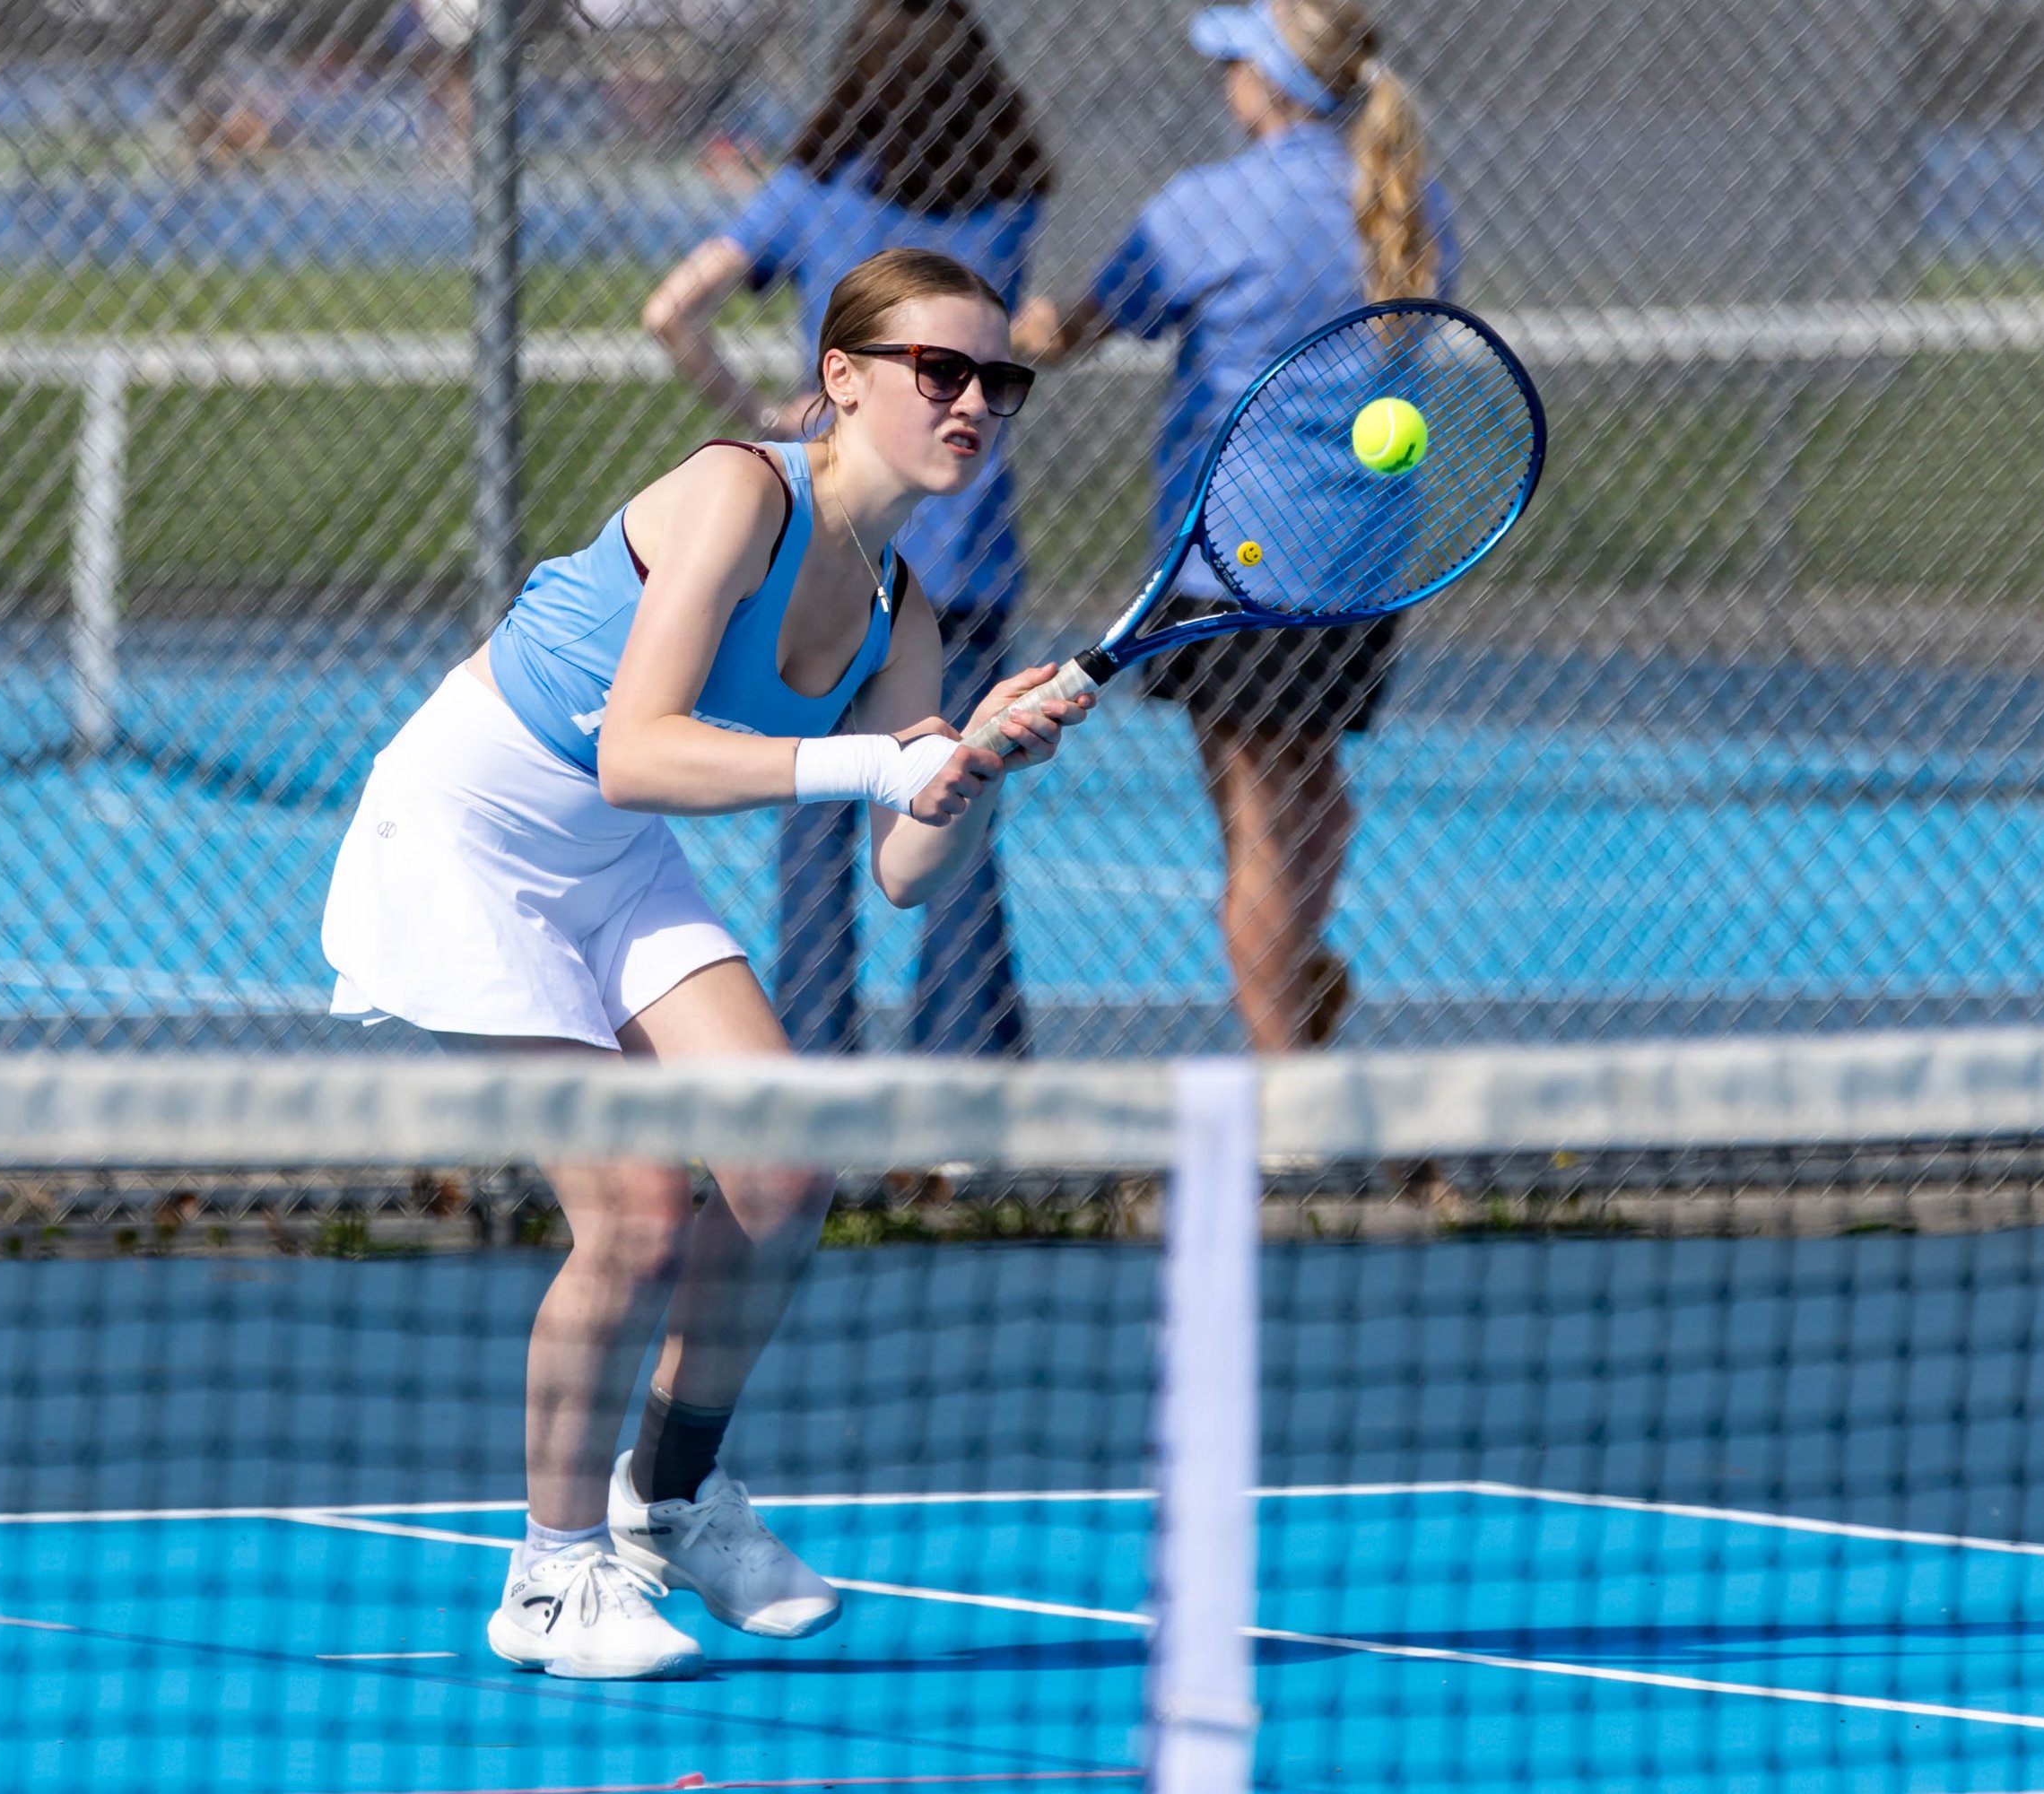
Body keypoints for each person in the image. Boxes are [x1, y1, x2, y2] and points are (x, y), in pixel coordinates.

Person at [320, 248, 1085, 1680]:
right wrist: (883, 756)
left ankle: (666, 1497)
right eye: (943, 371)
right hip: (468, 839)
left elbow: (904, 873)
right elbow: (634, 748)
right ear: (844, 381)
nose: (976, 400)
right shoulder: (741, 490)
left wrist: (971, 762)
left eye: (1001, 380)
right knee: (634, 1213)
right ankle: (548, 1582)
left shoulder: (902, 608)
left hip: (609, 871)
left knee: (789, 1166)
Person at [1013, 0, 1456, 1052]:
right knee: (1312, 791)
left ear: (1270, 84)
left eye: (1235, 65)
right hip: (1361, 563)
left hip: (1238, 563)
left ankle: (1280, 1078)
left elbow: (1076, 328)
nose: (1224, 82)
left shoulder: (1205, 208)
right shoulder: (1405, 197)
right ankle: (1296, 973)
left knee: (1256, 826)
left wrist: (1015, 320)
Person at [642, 0, 1053, 1057]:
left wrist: (762, 416)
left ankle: (815, 1069)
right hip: (966, 558)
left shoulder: (812, 197)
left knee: (815, 824)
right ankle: (970, 1087)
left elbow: (670, 309)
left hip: (831, 558)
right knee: (953, 808)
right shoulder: (1007, 207)